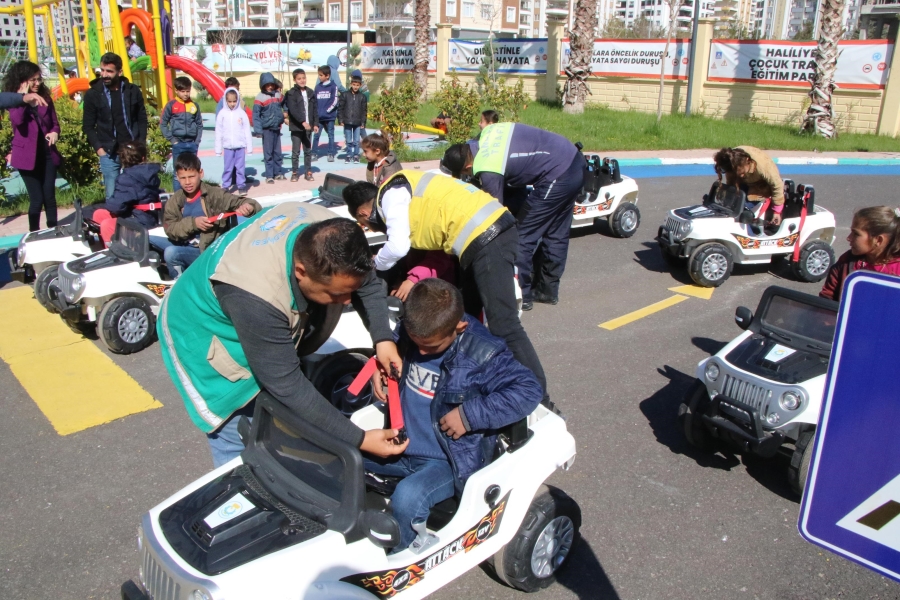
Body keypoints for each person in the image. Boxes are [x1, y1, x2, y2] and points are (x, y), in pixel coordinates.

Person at [157, 211, 407, 467]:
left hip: (249, 305)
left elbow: (366, 283)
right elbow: (287, 384)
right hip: (201, 332)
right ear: (301, 271)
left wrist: (382, 340)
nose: (346, 302)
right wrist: (360, 439)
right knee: (240, 432)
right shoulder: (256, 296)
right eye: (337, 294)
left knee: (280, 417)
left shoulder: (331, 235)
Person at [366, 278, 541, 553]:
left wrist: (470, 415)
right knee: (347, 455)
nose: (421, 352)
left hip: (446, 461)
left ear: (459, 327)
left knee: (407, 498)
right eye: (416, 343)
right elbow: (396, 352)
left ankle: (400, 556)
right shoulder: (416, 328)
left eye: (431, 347)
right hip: (400, 444)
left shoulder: (483, 353)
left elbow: (529, 390)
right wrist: (381, 368)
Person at [342, 173, 548, 396]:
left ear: (363, 213)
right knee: (465, 315)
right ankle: (474, 380)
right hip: (483, 233)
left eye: (366, 225)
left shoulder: (390, 196)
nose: (371, 229)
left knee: (504, 324)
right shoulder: (402, 193)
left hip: (486, 234)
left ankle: (538, 396)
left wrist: (374, 266)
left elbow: (398, 246)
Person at [442, 123, 585, 310]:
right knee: (556, 232)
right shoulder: (485, 134)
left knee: (522, 236)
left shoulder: (487, 168)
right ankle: (548, 290)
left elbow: (494, 213)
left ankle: (523, 295)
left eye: (465, 173)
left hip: (557, 174)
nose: (468, 175)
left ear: (468, 166)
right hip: (573, 160)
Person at [162, 152, 261, 278]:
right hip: (185, 243)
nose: (187, 182)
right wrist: (193, 223)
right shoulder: (176, 200)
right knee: (149, 241)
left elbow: (249, 203)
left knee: (171, 253)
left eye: (191, 176)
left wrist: (248, 207)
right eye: (183, 178)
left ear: (201, 173)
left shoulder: (215, 194)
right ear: (177, 177)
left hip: (207, 250)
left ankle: (179, 284)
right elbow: (170, 228)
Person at [4, 61, 62, 232]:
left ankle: (53, 230)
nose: (37, 83)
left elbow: (55, 123)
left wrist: (55, 133)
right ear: (23, 81)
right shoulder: (14, 100)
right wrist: (22, 99)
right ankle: (34, 232)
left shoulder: (45, 98)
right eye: (32, 80)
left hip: (47, 155)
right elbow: (17, 121)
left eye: (38, 79)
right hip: (27, 157)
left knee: (49, 197)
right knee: (36, 199)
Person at [82, 52, 148, 200]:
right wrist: (99, 149)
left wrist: (141, 143)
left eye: (109, 71)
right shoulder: (93, 94)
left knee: (136, 190)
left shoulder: (132, 91)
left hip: (132, 149)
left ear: (119, 72)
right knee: (112, 195)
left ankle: (134, 222)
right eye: (102, 70)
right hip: (108, 152)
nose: (104, 75)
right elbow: (88, 126)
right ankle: (114, 222)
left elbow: (141, 118)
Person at [84, 141, 164, 243]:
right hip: (148, 216)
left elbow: (116, 207)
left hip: (140, 220)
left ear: (122, 160)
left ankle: (115, 252)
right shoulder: (150, 173)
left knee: (107, 225)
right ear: (143, 158)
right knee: (100, 214)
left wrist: (107, 203)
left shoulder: (127, 178)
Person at [820, 206, 900, 302]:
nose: (849, 238)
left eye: (856, 234)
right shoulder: (846, 263)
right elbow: (826, 300)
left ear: (878, 240)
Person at [713, 146, 785, 226]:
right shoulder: (731, 159)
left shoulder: (764, 166)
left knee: (743, 209)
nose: (741, 175)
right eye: (739, 173)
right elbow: (730, 182)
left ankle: (750, 222)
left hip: (760, 186)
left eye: (742, 172)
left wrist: (777, 211)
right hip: (742, 182)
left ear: (748, 161)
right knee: (730, 205)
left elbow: (777, 185)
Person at [161, 76, 203, 192]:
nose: (186, 94)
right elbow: (163, 123)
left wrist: (197, 141)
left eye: (188, 91)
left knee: (193, 171)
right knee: (177, 173)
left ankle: (193, 196)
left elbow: (199, 124)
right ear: (176, 91)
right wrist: (172, 140)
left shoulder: (194, 105)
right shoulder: (171, 105)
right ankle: (178, 198)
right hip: (178, 144)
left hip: (192, 144)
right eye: (183, 91)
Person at [215, 87, 253, 195]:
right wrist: (218, 150)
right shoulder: (222, 114)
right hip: (228, 147)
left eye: (234, 101)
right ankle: (226, 186)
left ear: (238, 100)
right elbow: (219, 132)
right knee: (228, 167)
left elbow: (247, 131)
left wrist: (249, 148)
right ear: (225, 101)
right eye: (229, 101)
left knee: (240, 168)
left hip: (240, 146)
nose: (232, 104)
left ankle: (241, 186)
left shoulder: (241, 113)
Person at [283, 67, 318, 182]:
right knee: (296, 152)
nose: (302, 80)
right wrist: (303, 122)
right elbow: (293, 110)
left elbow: (314, 110)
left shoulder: (310, 92)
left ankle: (308, 171)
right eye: (299, 79)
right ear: (294, 80)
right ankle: (295, 172)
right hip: (297, 127)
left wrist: (315, 124)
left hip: (308, 127)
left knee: (308, 151)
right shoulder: (291, 93)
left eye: (303, 78)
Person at [252, 72, 285, 184]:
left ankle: (278, 173)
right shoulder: (259, 98)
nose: (270, 87)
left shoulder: (278, 95)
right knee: (268, 153)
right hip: (266, 129)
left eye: (272, 84)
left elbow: (285, 103)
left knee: (277, 152)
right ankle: (269, 175)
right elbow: (256, 115)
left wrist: (285, 112)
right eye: (267, 85)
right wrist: (258, 130)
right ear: (263, 85)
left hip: (277, 128)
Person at [312, 65, 339, 162]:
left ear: (327, 76)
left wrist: (328, 110)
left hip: (329, 117)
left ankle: (330, 153)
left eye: (321, 75)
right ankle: (314, 153)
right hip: (319, 118)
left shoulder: (333, 86)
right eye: (319, 75)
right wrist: (316, 113)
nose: (319, 77)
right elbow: (314, 101)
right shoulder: (317, 87)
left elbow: (335, 101)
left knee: (330, 135)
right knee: (316, 136)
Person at [338, 74, 367, 164]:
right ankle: (349, 154)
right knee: (349, 140)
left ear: (360, 85)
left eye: (357, 85)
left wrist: (363, 122)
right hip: (347, 121)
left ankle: (356, 155)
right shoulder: (345, 95)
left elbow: (364, 111)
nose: (355, 87)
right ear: (351, 84)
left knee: (356, 140)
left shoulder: (362, 97)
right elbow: (340, 108)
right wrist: (341, 119)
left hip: (358, 122)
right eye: (354, 85)